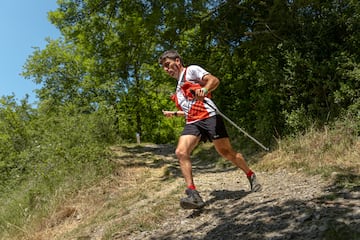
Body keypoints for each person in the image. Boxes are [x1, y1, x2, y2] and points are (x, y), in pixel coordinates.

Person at [159, 50, 262, 209]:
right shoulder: (178, 89)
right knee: (181, 152)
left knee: (226, 152)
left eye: (167, 65)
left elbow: (214, 80)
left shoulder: (191, 70)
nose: (166, 69)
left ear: (177, 61)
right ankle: (193, 194)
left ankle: (250, 174)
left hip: (209, 117)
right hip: (193, 121)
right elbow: (189, 109)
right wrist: (173, 113)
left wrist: (205, 90)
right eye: (164, 67)